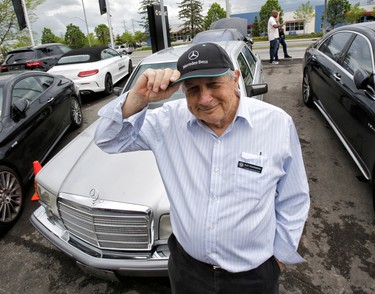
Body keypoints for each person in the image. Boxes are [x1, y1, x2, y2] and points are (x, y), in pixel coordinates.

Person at [94, 42, 310, 294]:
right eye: (193, 89)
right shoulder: (166, 122)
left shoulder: (277, 124)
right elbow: (107, 140)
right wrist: (137, 98)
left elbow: (294, 198)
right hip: (188, 273)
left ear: (235, 79)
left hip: (253, 277)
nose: (204, 98)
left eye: (214, 85)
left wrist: (278, 259)